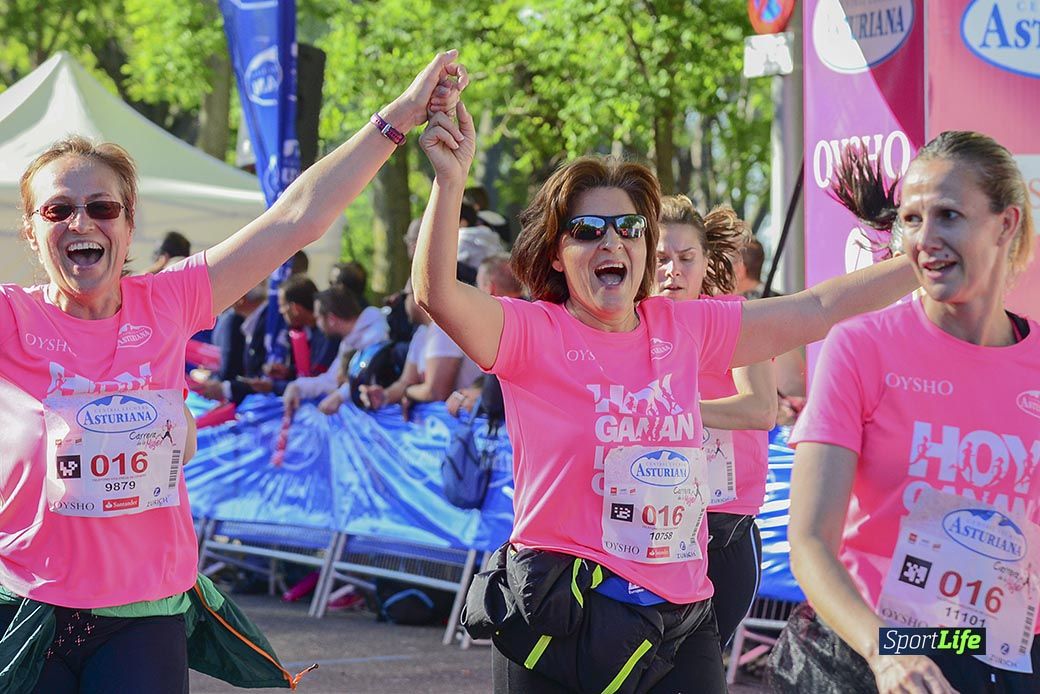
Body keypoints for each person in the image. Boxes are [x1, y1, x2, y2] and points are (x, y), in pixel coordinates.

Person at [0, 50, 466, 692]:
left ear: (128, 224)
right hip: (29, 608)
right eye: (58, 211)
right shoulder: (9, 320)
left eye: (102, 208)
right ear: (31, 231)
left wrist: (399, 118)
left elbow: (296, 218)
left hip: (145, 614)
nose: (81, 222)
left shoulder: (167, 300)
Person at [414, 99, 918, 692]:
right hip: (565, 615)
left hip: (680, 620)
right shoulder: (534, 332)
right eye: (587, 230)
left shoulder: (683, 327)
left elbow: (818, 308)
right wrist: (450, 181)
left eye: (629, 228)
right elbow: (437, 292)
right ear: (557, 253)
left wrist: (922, 261)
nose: (612, 242)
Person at [776, 132, 1039, 694]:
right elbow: (809, 542)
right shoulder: (861, 348)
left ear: (1006, 224)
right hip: (877, 655)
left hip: (1007, 659)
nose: (925, 239)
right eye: (913, 219)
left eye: (948, 215)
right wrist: (886, 655)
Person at [654, 195, 776, 648]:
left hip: (723, 527)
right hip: (651, 525)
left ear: (706, 261)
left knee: (699, 665)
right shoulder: (628, 323)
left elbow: (761, 409)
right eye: (662, 258)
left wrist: (681, 410)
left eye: (686, 258)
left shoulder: (734, 318)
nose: (674, 270)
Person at [282, 285, 389, 416]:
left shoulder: (378, 332)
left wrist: (340, 396)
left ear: (331, 319)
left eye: (318, 318)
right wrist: (296, 386)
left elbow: (369, 380)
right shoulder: (348, 343)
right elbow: (330, 381)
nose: (317, 323)